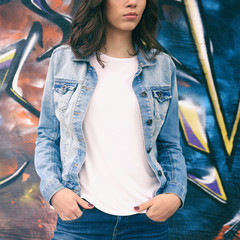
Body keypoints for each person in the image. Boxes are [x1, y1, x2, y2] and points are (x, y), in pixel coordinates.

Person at [34, 0, 187, 239]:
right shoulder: (65, 60)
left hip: (146, 222)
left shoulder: (161, 66)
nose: (132, 2)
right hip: (82, 220)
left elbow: (169, 144)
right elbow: (47, 136)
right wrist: (55, 191)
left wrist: (175, 195)